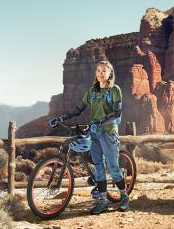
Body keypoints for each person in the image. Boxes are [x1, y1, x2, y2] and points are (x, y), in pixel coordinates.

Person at [50, 59, 129, 214]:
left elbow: (117, 113)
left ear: (110, 73)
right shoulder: (92, 91)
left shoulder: (115, 90)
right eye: (98, 71)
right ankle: (103, 201)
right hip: (94, 133)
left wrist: (101, 121)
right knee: (98, 167)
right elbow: (78, 109)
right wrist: (61, 118)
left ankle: (124, 197)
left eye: (104, 71)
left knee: (113, 167)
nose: (101, 74)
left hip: (108, 133)